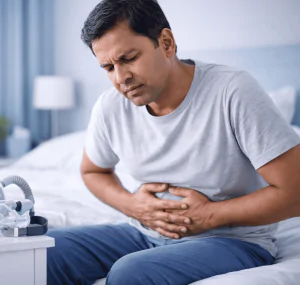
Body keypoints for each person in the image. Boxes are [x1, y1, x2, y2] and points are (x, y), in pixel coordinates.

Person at [46, 0, 300, 284]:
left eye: (129, 58)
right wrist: (133, 206)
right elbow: (92, 170)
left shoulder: (232, 91)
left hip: (233, 241)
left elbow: (295, 192)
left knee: (130, 272)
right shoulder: (111, 106)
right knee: (43, 251)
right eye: (108, 67)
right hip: (144, 233)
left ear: (166, 43)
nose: (121, 78)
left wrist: (209, 215)